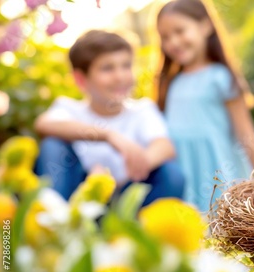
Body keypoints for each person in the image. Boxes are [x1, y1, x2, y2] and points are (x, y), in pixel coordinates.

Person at [34, 30, 184, 206]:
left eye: (126, 66)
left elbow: (165, 146)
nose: (120, 77)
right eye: (107, 68)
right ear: (81, 79)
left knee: (170, 173)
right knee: (53, 145)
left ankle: (142, 231)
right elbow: (43, 124)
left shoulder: (142, 110)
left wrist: (134, 168)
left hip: (125, 196)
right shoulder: (69, 108)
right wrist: (109, 136)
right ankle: (53, 216)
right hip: (79, 196)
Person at [156, 0, 254, 211]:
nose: (173, 42)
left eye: (180, 31)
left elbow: (247, 135)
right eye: (165, 37)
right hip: (182, 173)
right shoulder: (170, 83)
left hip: (217, 173)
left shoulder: (220, 77)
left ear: (205, 26)